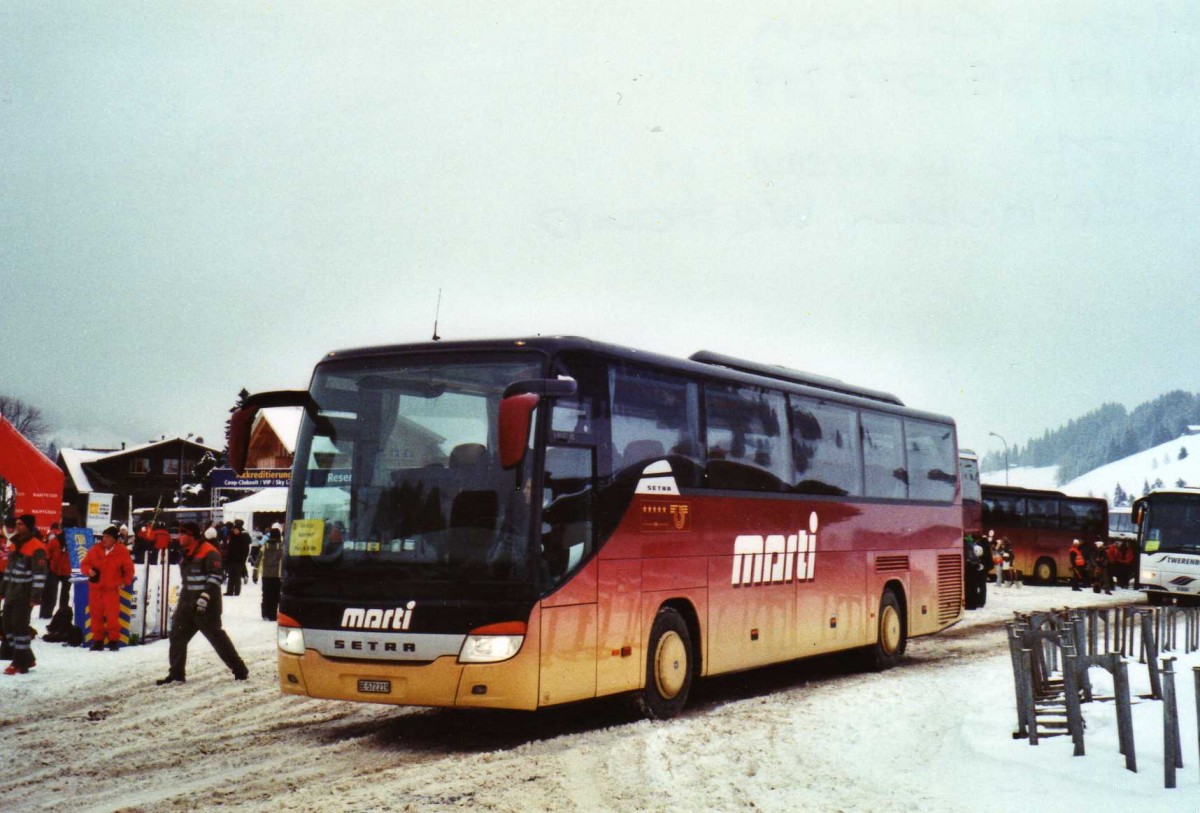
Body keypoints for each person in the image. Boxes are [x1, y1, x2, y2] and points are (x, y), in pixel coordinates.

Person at [155, 522, 248, 684]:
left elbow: (215, 577)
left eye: (182, 534)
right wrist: (182, 603)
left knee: (217, 638)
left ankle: (239, 669)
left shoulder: (210, 552)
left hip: (207, 607)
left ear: (192, 536)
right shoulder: (186, 552)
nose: (179, 537)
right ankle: (176, 674)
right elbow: (187, 581)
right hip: (187, 604)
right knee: (176, 635)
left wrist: (204, 598)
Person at [2, 515, 47, 675]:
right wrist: (3, 590)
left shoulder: (37, 547)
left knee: (19, 628)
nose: (17, 527)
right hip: (11, 593)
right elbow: (8, 570)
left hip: (24, 595)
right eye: (16, 524)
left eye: (20, 524)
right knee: (6, 626)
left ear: (28, 526)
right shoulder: (14, 545)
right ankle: (27, 657)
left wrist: (35, 597)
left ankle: (19, 663)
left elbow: (40, 575)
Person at [81, 526, 135, 650]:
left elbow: (129, 570)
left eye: (108, 537)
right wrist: (89, 571)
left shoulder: (122, 551)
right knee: (95, 616)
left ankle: (113, 641)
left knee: (112, 617)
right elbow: (84, 564)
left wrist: (124, 582)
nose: (104, 539)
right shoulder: (95, 549)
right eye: (103, 537)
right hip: (96, 589)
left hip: (111, 589)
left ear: (114, 539)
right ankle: (98, 641)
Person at [40, 522, 72, 619]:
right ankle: (47, 614)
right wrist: (49, 562)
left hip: (65, 570)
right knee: (52, 592)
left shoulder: (69, 541)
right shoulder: (55, 540)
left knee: (62, 593)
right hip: (55, 569)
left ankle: (61, 614)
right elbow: (47, 552)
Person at [255, 527, 283, 620]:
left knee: (266, 595)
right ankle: (273, 615)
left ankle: (265, 614)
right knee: (276, 595)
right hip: (278, 575)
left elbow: (258, 561)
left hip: (266, 575)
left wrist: (255, 574)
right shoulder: (282, 546)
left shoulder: (264, 546)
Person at [224, 521, 251, 596]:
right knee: (231, 577)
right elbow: (229, 549)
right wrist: (227, 559)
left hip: (239, 561)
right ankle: (229, 591)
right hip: (231, 560)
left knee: (237, 577)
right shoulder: (232, 538)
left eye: (237, 530)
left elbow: (246, 550)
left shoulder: (243, 538)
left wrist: (243, 559)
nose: (235, 531)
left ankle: (237, 591)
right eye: (234, 530)